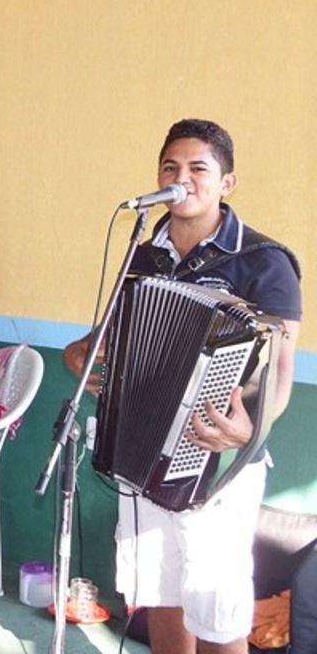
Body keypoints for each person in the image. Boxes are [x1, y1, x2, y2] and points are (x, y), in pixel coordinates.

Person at [63, 119, 302, 654]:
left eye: (199, 168)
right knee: (162, 594)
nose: (182, 178)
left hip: (217, 459)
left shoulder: (264, 262)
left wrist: (250, 428)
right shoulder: (141, 256)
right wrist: (78, 353)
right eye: (171, 167)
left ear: (227, 183)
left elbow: (282, 369)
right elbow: (115, 331)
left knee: (217, 609)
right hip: (143, 452)